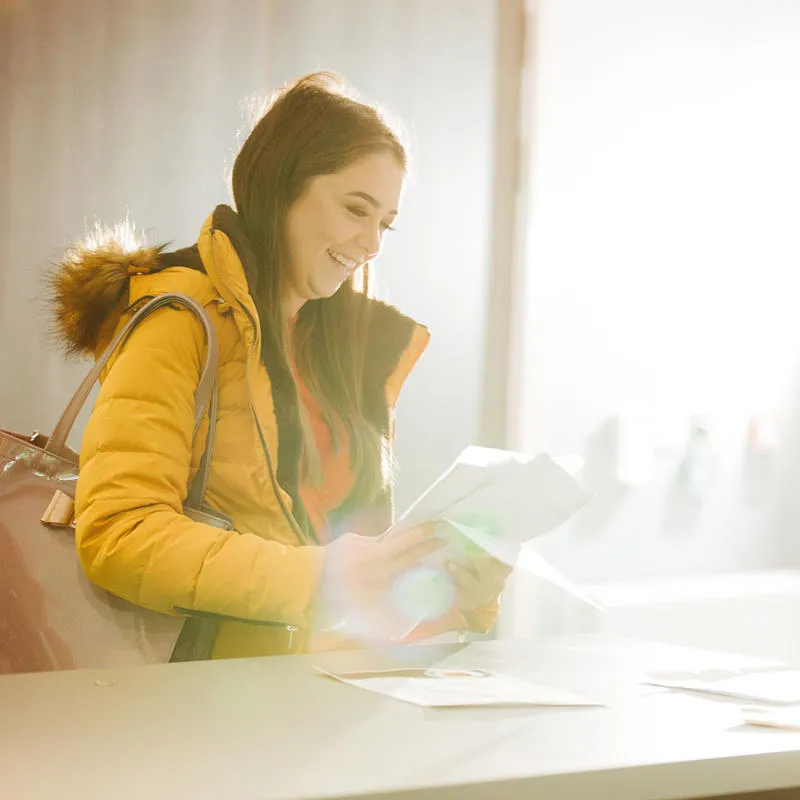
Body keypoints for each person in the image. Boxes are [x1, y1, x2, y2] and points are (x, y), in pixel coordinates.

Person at [47, 72, 509, 660]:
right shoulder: (181, 318)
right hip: (221, 708)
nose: (372, 244)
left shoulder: (343, 350)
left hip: (334, 694)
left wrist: (449, 588)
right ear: (282, 187)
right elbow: (120, 533)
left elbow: (340, 557)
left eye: (385, 223)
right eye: (355, 209)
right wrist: (323, 579)